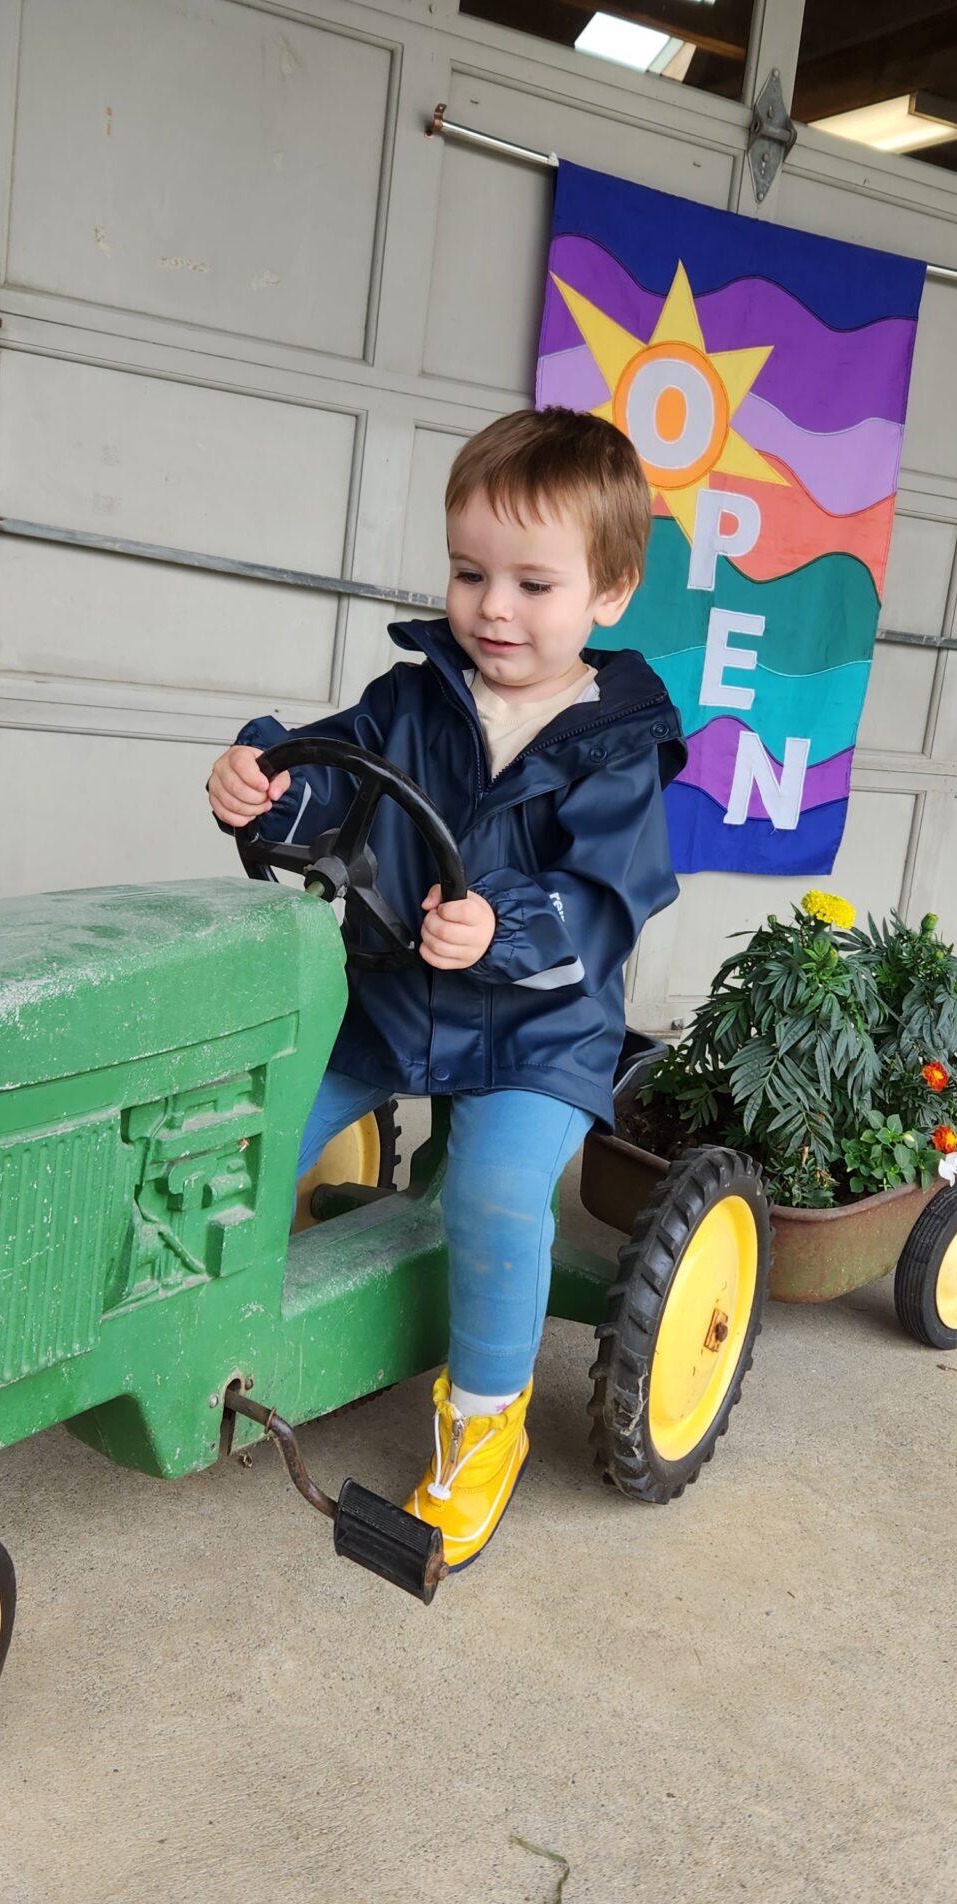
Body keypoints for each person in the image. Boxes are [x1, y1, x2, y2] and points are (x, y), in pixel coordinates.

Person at [206, 408, 683, 1570]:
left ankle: (483, 1426)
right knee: (243, 1137)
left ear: (608, 596)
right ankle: (202, 1339)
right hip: (393, 1007)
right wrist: (265, 786)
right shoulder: (414, 698)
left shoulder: (613, 746)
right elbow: (334, 782)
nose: (494, 609)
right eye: (471, 574)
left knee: (494, 1196)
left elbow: (608, 898)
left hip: (537, 1029)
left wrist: (505, 923)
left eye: (533, 582)